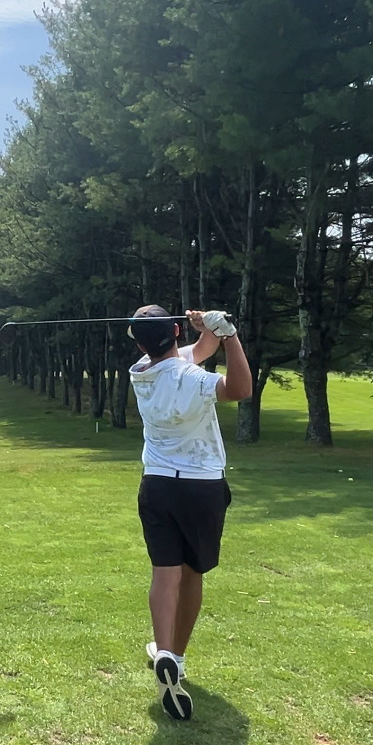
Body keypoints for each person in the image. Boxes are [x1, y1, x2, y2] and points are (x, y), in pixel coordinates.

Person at [127, 305, 251, 720]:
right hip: (201, 487)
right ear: (174, 330)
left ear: (140, 342)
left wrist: (207, 330)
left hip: (158, 483)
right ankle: (175, 656)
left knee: (166, 573)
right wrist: (229, 335)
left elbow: (195, 350)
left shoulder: (141, 370)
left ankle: (163, 650)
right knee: (193, 573)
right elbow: (240, 389)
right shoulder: (193, 379)